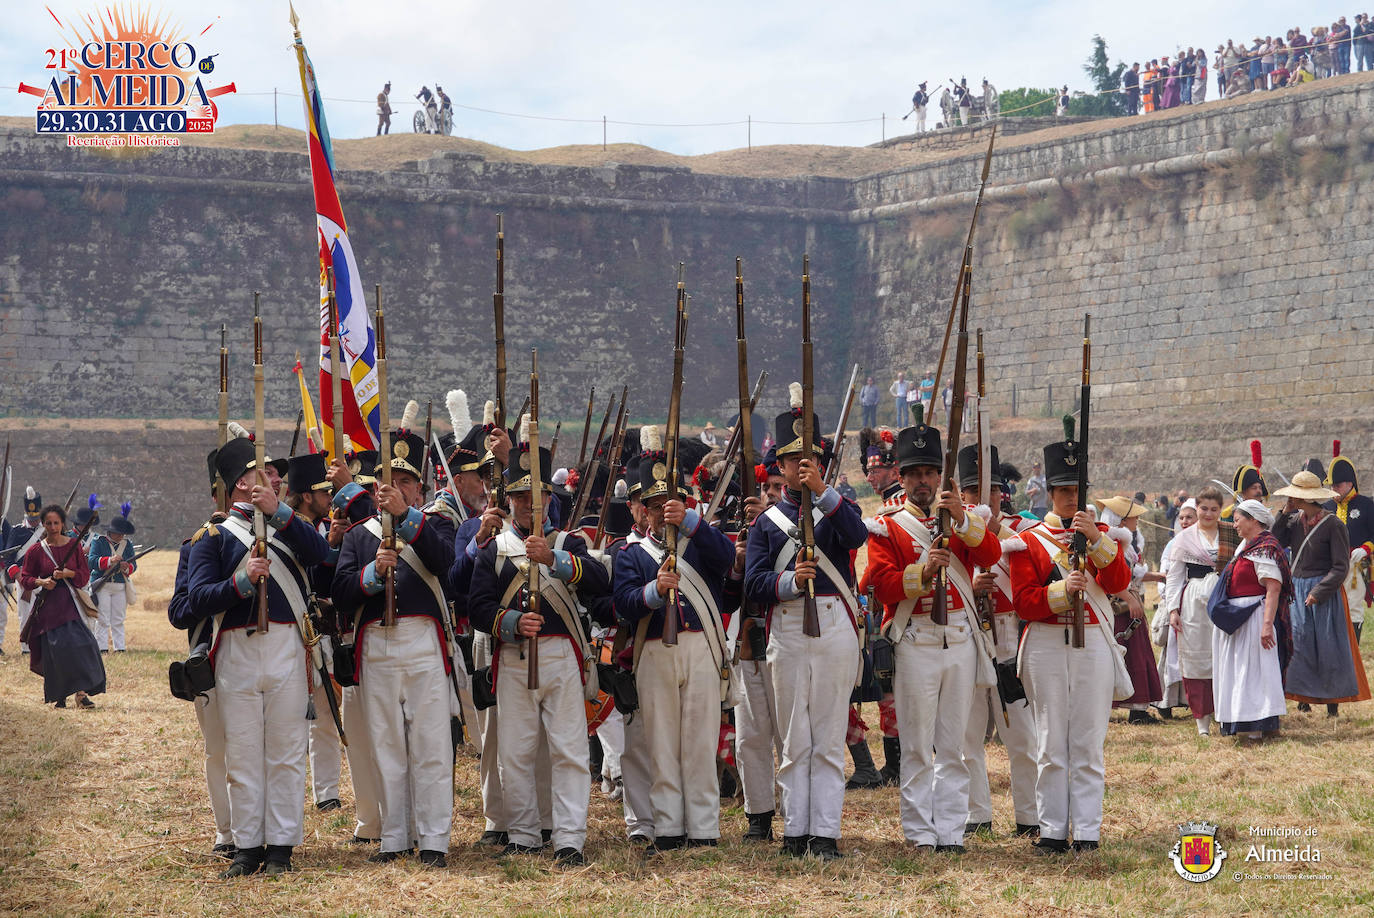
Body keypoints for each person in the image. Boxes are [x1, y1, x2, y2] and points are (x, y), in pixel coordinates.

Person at [467, 419, 612, 868]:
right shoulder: (495, 548)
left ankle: (570, 836)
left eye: (539, 498)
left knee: (568, 750)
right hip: (514, 658)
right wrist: (510, 622)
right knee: (516, 749)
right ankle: (525, 832)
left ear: (549, 499)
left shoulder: (569, 543)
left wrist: (556, 560)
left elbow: (601, 583)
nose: (531, 506)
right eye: (521, 499)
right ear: (510, 501)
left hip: (562, 657)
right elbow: (478, 605)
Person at [186, 433, 330, 878]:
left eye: (269, 471)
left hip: (287, 645)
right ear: (236, 485)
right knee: (244, 753)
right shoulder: (213, 536)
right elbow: (195, 599)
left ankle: (282, 846)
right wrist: (240, 584)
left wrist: (279, 514)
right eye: (257, 471)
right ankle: (247, 846)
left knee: (286, 751)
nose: (268, 477)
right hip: (237, 651)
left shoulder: (289, 524)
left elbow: (321, 555)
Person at [863, 416, 1000, 853]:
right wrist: (923, 573)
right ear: (902, 478)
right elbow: (880, 583)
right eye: (915, 474)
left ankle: (952, 832)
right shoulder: (888, 525)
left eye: (929, 473)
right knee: (919, 746)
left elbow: (990, 554)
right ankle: (921, 833)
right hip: (916, 639)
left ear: (940, 477)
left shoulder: (961, 519)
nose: (923, 481)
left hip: (959, 639)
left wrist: (960, 516)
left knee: (956, 744)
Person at [743, 383, 867, 861]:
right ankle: (796, 828)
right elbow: (754, 584)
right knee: (795, 734)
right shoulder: (767, 523)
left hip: (835, 623)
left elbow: (855, 536)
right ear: (781, 467)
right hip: (790, 624)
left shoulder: (837, 507)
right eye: (794, 460)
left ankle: (825, 831)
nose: (802, 466)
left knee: (829, 732)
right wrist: (791, 584)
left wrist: (822, 493)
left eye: (811, 458)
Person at [334, 428, 457, 868]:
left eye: (406, 482)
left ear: (419, 489)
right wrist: (370, 574)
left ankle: (434, 840)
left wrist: (406, 517)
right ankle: (394, 836)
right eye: (390, 482)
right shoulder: (359, 536)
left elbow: (446, 566)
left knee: (430, 745)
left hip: (422, 641)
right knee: (385, 745)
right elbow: (342, 592)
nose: (397, 489)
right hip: (377, 646)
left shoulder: (435, 524)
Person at [1007, 422, 1130, 854]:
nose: (1070, 497)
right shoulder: (1029, 541)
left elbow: (1117, 582)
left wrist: (1095, 539)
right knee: (1050, 742)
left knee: (1088, 741)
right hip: (1044, 642)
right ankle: (1053, 830)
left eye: (1076, 489)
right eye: (1062, 489)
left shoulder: (1104, 538)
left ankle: (1089, 832)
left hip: (1092, 641)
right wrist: (1063, 591)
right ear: (1050, 493)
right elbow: (1025, 602)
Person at [613, 427, 736, 851]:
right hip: (654, 652)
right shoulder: (631, 554)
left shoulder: (699, 542)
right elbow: (624, 603)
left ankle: (703, 827)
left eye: (667, 505)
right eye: (652, 506)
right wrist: (654, 591)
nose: (658, 513)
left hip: (700, 646)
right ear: (641, 512)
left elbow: (725, 560)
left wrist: (691, 523)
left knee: (700, 741)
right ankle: (667, 827)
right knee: (662, 743)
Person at [956, 445, 1039, 839]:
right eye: (972, 490)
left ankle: (1030, 815)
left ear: (1001, 492)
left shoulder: (1023, 532)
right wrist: (970, 587)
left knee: (1021, 735)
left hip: (1009, 635)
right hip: (967, 634)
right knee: (967, 735)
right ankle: (977, 814)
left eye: (989, 490)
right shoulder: (953, 534)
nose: (980, 498)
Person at [1273, 472, 1370, 717]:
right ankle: (1303, 698)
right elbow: (1275, 540)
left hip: (1324, 593)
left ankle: (1332, 707)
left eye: (1294, 498)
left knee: (1328, 647)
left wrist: (1319, 591)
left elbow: (1340, 566)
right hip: (1297, 590)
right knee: (1300, 645)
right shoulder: (1294, 521)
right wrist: (1283, 513)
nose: (1292, 501)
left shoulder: (1333, 525)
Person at [1212, 500, 1292, 744]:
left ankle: (1257, 727)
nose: (1234, 524)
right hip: (1239, 620)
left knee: (1256, 672)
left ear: (1253, 520)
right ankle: (1244, 723)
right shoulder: (1246, 547)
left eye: (1237, 519)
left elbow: (1273, 588)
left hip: (1255, 618)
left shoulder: (1265, 548)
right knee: (1242, 673)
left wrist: (1267, 625)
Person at [19, 504, 105, 709]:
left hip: (70, 604)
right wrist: (42, 582)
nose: (53, 526)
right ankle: (60, 697)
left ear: (62, 523)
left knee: (84, 646)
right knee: (56, 653)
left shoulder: (74, 546)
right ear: (43, 524)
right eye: (48, 523)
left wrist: (68, 573)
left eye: (56, 522)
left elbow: (84, 575)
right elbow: (25, 577)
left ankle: (81, 693)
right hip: (48, 608)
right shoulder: (36, 551)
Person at [1163, 488, 1223, 735]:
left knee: (1224, 658)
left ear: (1221, 510)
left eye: (1214, 509)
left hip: (1222, 600)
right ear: (1196, 509)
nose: (1208, 514)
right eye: (1204, 508)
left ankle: (1225, 713)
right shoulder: (1184, 538)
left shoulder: (1230, 533)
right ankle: (1202, 721)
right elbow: (1175, 577)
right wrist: (1173, 610)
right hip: (1193, 604)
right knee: (1196, 661)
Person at [1097, 497, 1162, 724]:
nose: (1137, 520)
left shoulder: (1125, 544)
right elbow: (1109, 577)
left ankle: (1138, 707)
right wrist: (1129, 598)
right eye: (1133, 516)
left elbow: (1133, 573)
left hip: (1128, 604)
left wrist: (1158, 576)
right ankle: (1126, 707)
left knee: (1136, 652)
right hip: (1117, 608)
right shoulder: (1111, 543)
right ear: (1122, 520)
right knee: (1124, 653)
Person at [1325, 441, 1374, 641]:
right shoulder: (1326, 507)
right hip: (1330, 563)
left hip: (1359, 563)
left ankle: (1352, 650)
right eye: (1332, 485)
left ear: (1349, 483)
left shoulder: (1367, 504)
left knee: (1353, 608)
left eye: (1338, 485)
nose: (1334, 489)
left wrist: (1365, 548)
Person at [86, 502, 138, 653]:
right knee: (102, 618)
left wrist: (126, 567)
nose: (121, 535)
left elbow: (134, 565)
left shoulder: (127, 545)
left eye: (122, 533)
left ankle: (119, 648)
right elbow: (91, 561)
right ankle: (102, 648)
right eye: (118, 532)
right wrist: (109, 561)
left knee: (118, 619)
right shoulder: (99, 542)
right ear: (111, 531)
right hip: (102, 584)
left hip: (120, 584)